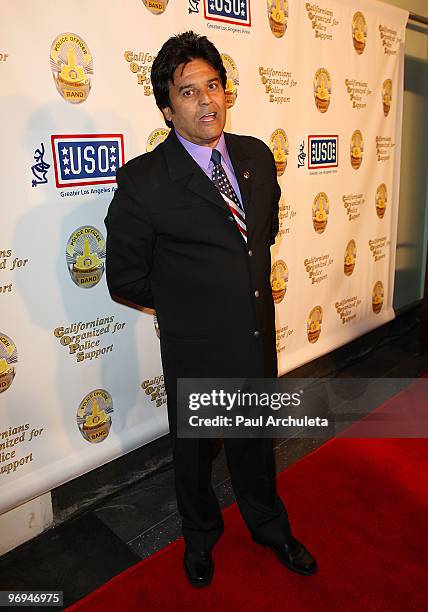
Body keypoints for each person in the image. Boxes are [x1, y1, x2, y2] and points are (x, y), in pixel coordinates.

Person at [105, 31, 317, 587]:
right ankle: (199, 539)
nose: (207, 101)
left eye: (214, 86)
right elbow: (125, 277)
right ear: (167, 107)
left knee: (255, 447)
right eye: (189, 91)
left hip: (253, 337)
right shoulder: (145, 180)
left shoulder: (255, 157)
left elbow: (259, 239)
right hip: (195, 348)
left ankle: (270, 527)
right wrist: (189, 307)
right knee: (195, 456)